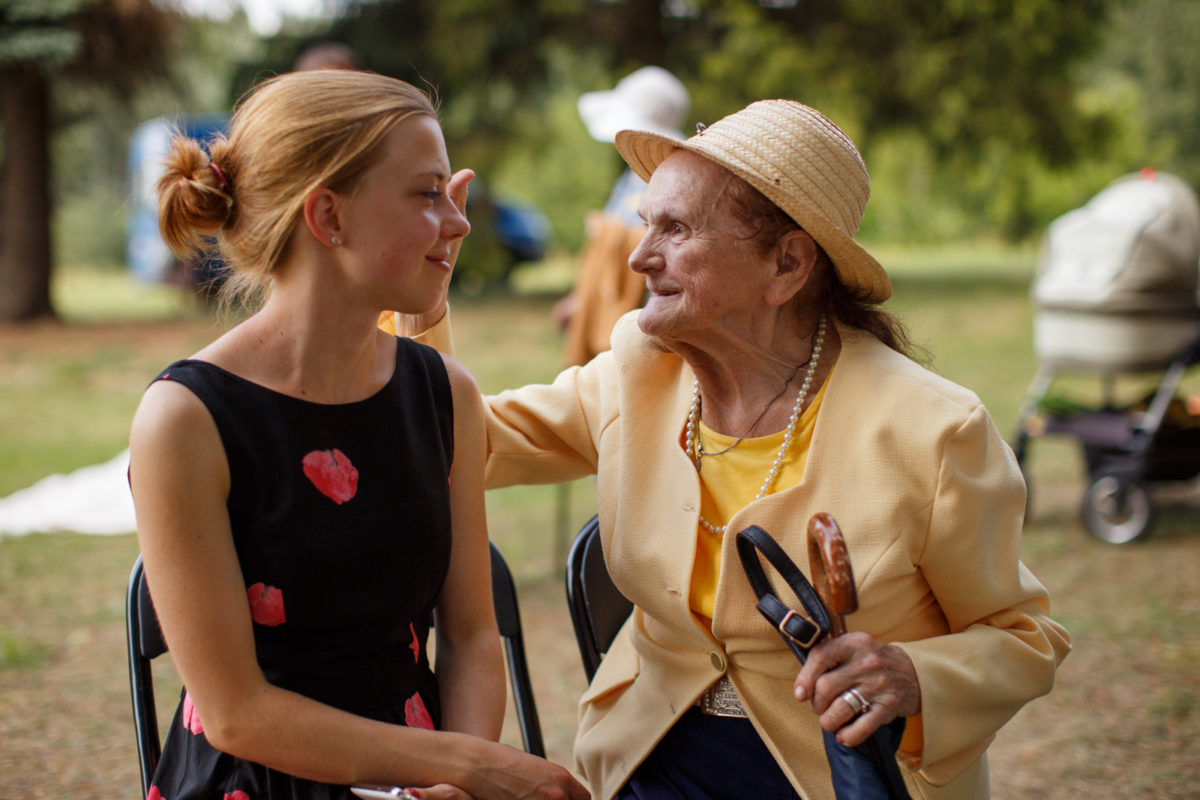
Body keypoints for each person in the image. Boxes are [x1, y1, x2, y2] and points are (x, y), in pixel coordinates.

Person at [401, 99, 1071, 799]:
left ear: (787, 264)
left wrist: (913, 676)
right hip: (648, 758)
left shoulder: (933, 431)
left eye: (676, 229)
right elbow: (454, 445)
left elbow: (1024, 638)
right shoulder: (639, 369)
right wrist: (422, 312)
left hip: (839, 775)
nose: (639, 257)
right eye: (646, 223)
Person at [129, 69, 588, 800]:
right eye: (427, 193)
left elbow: (471, 633)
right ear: (329, 216)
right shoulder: (185, 420)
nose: (459, 222)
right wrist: (470, 767)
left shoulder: (445, 394)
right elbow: (237, 714)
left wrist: (452, 782)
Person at [553, 66, 690, 367]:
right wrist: (580, 299)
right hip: (611, 305)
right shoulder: (629, 179)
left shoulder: (668, 185)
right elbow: (606, 253)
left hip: (641, 316)